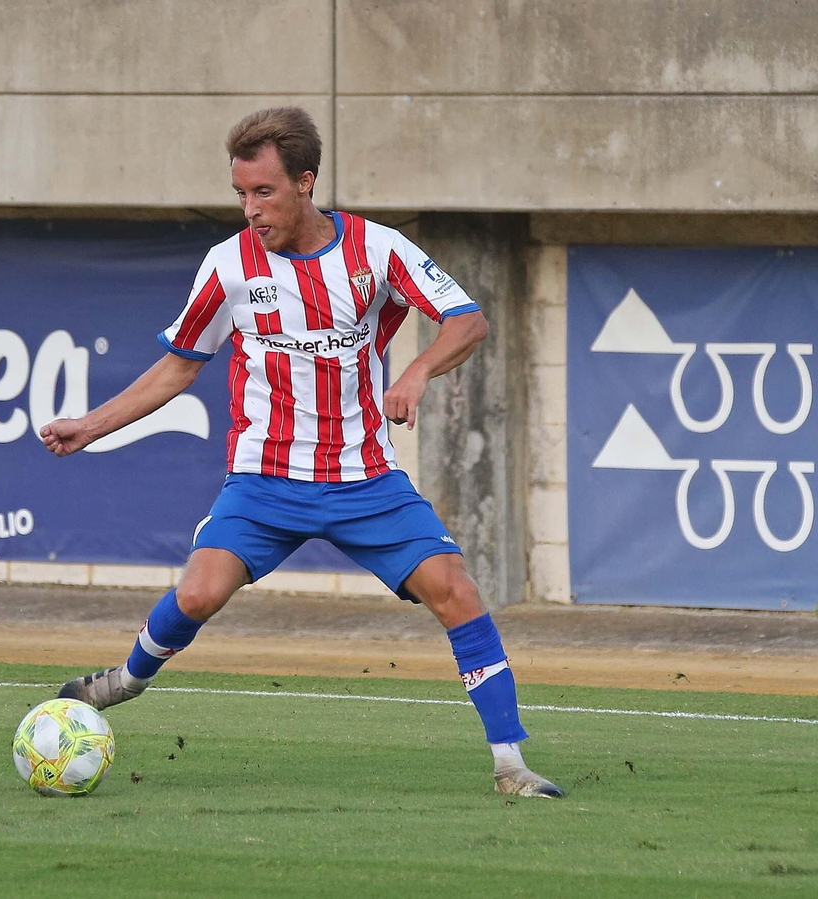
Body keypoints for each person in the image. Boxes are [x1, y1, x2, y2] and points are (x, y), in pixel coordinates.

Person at [40, 108, 562, 799]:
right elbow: (179, 366)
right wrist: (91, 425)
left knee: (457, 591)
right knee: (196, 592)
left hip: (363, 477)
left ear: (306, 182)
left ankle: (510, 764)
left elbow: (467, 320)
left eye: (264, 192)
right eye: (241, 195)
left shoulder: (377, 250)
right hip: (264, 480)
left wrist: (416, 371)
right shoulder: (228, 267)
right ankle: (126, 680)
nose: (251, 210)